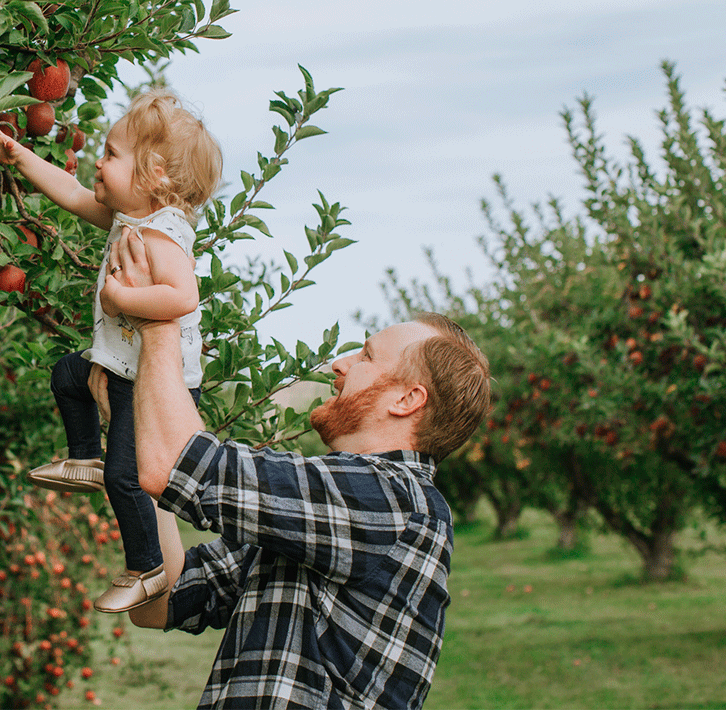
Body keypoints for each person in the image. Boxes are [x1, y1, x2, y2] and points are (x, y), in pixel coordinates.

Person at [92, 230, 491, 709]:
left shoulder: (396, 503)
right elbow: (162, 600)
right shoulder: (322, 522)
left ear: (407, 400)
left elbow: (182, 468)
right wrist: (134, 430)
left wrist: (159, 321)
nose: (340, 365)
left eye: (365, 356)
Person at [0, 88, 223, 613]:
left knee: (127, 477)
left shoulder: (164, 233)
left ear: (155, 176)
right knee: (67, 377)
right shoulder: (128, 217)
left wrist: (120, 297)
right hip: (120, 363)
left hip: (152, 381)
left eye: (112, 154)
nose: (98, 159)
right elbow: (70, 193)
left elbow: (183, 297)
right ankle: (85, 456)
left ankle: (148, 567)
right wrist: (19, 155)